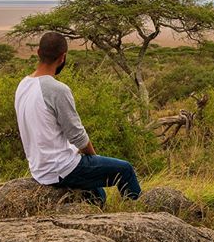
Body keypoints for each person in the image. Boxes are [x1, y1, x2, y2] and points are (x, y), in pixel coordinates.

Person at [14, 31, 141, 205]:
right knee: (125, 170)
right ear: (62, 58)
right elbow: (77, 136)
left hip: (39, 167)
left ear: (38, 52)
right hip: (61, 168)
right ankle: (136, 212)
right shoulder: (57, 89)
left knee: (98, 194)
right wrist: (93, 159)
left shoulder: (23, 84)